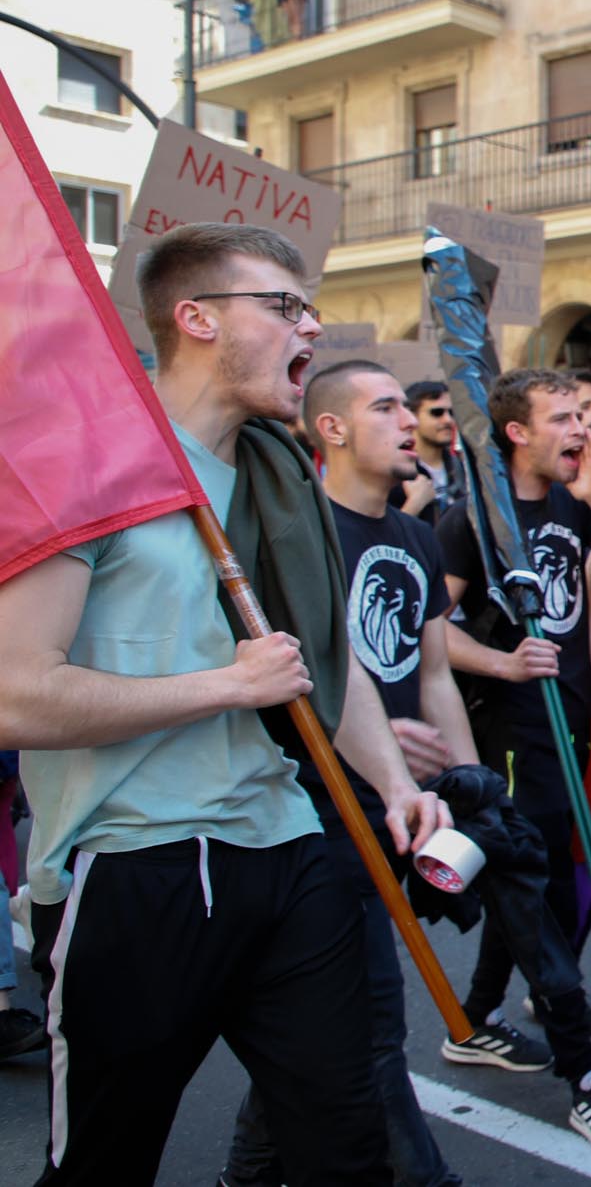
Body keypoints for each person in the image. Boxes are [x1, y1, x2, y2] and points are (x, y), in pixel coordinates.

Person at [0, 222, 452, 1184]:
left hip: (289, 848)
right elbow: (15, 695)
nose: (313, 324)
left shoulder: (278, 474)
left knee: (348, 1147)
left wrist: (390, 783)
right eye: (285, 305)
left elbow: (319, 661)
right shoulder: (84, 465)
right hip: (135, 866)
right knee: (103, 1165)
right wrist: (226, 685)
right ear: (196, 317)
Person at [231, 359, 591, 1168]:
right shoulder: (296, 535)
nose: (412, 421)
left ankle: (584, 1071)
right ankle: (266, 1165)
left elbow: (427, 672)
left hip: (428, 785)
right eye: (387, 406)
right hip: (330, 805)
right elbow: (318, 670)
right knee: (354, 1015)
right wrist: (411, 729)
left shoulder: (415, 533)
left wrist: (471, 785)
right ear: (333, 428)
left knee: (525, 900)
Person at [437, 370, 591, 1037]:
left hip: (575, 718)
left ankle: (477, 1013)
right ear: (516, 433)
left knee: (545, 872)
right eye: (563, 418)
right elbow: (428, 632)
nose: (580, 428)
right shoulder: (475, 521)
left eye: (581, 414)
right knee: (532, 877)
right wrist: (502, 663)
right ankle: (558, 1005)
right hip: (513, 729)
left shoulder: (574, 503)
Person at [395, 379, 463, 525]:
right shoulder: (395, 474)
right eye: (437, 413)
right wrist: (414, 505)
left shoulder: (464, 468)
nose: (448, 420)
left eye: (451, 412)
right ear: (411, 417)